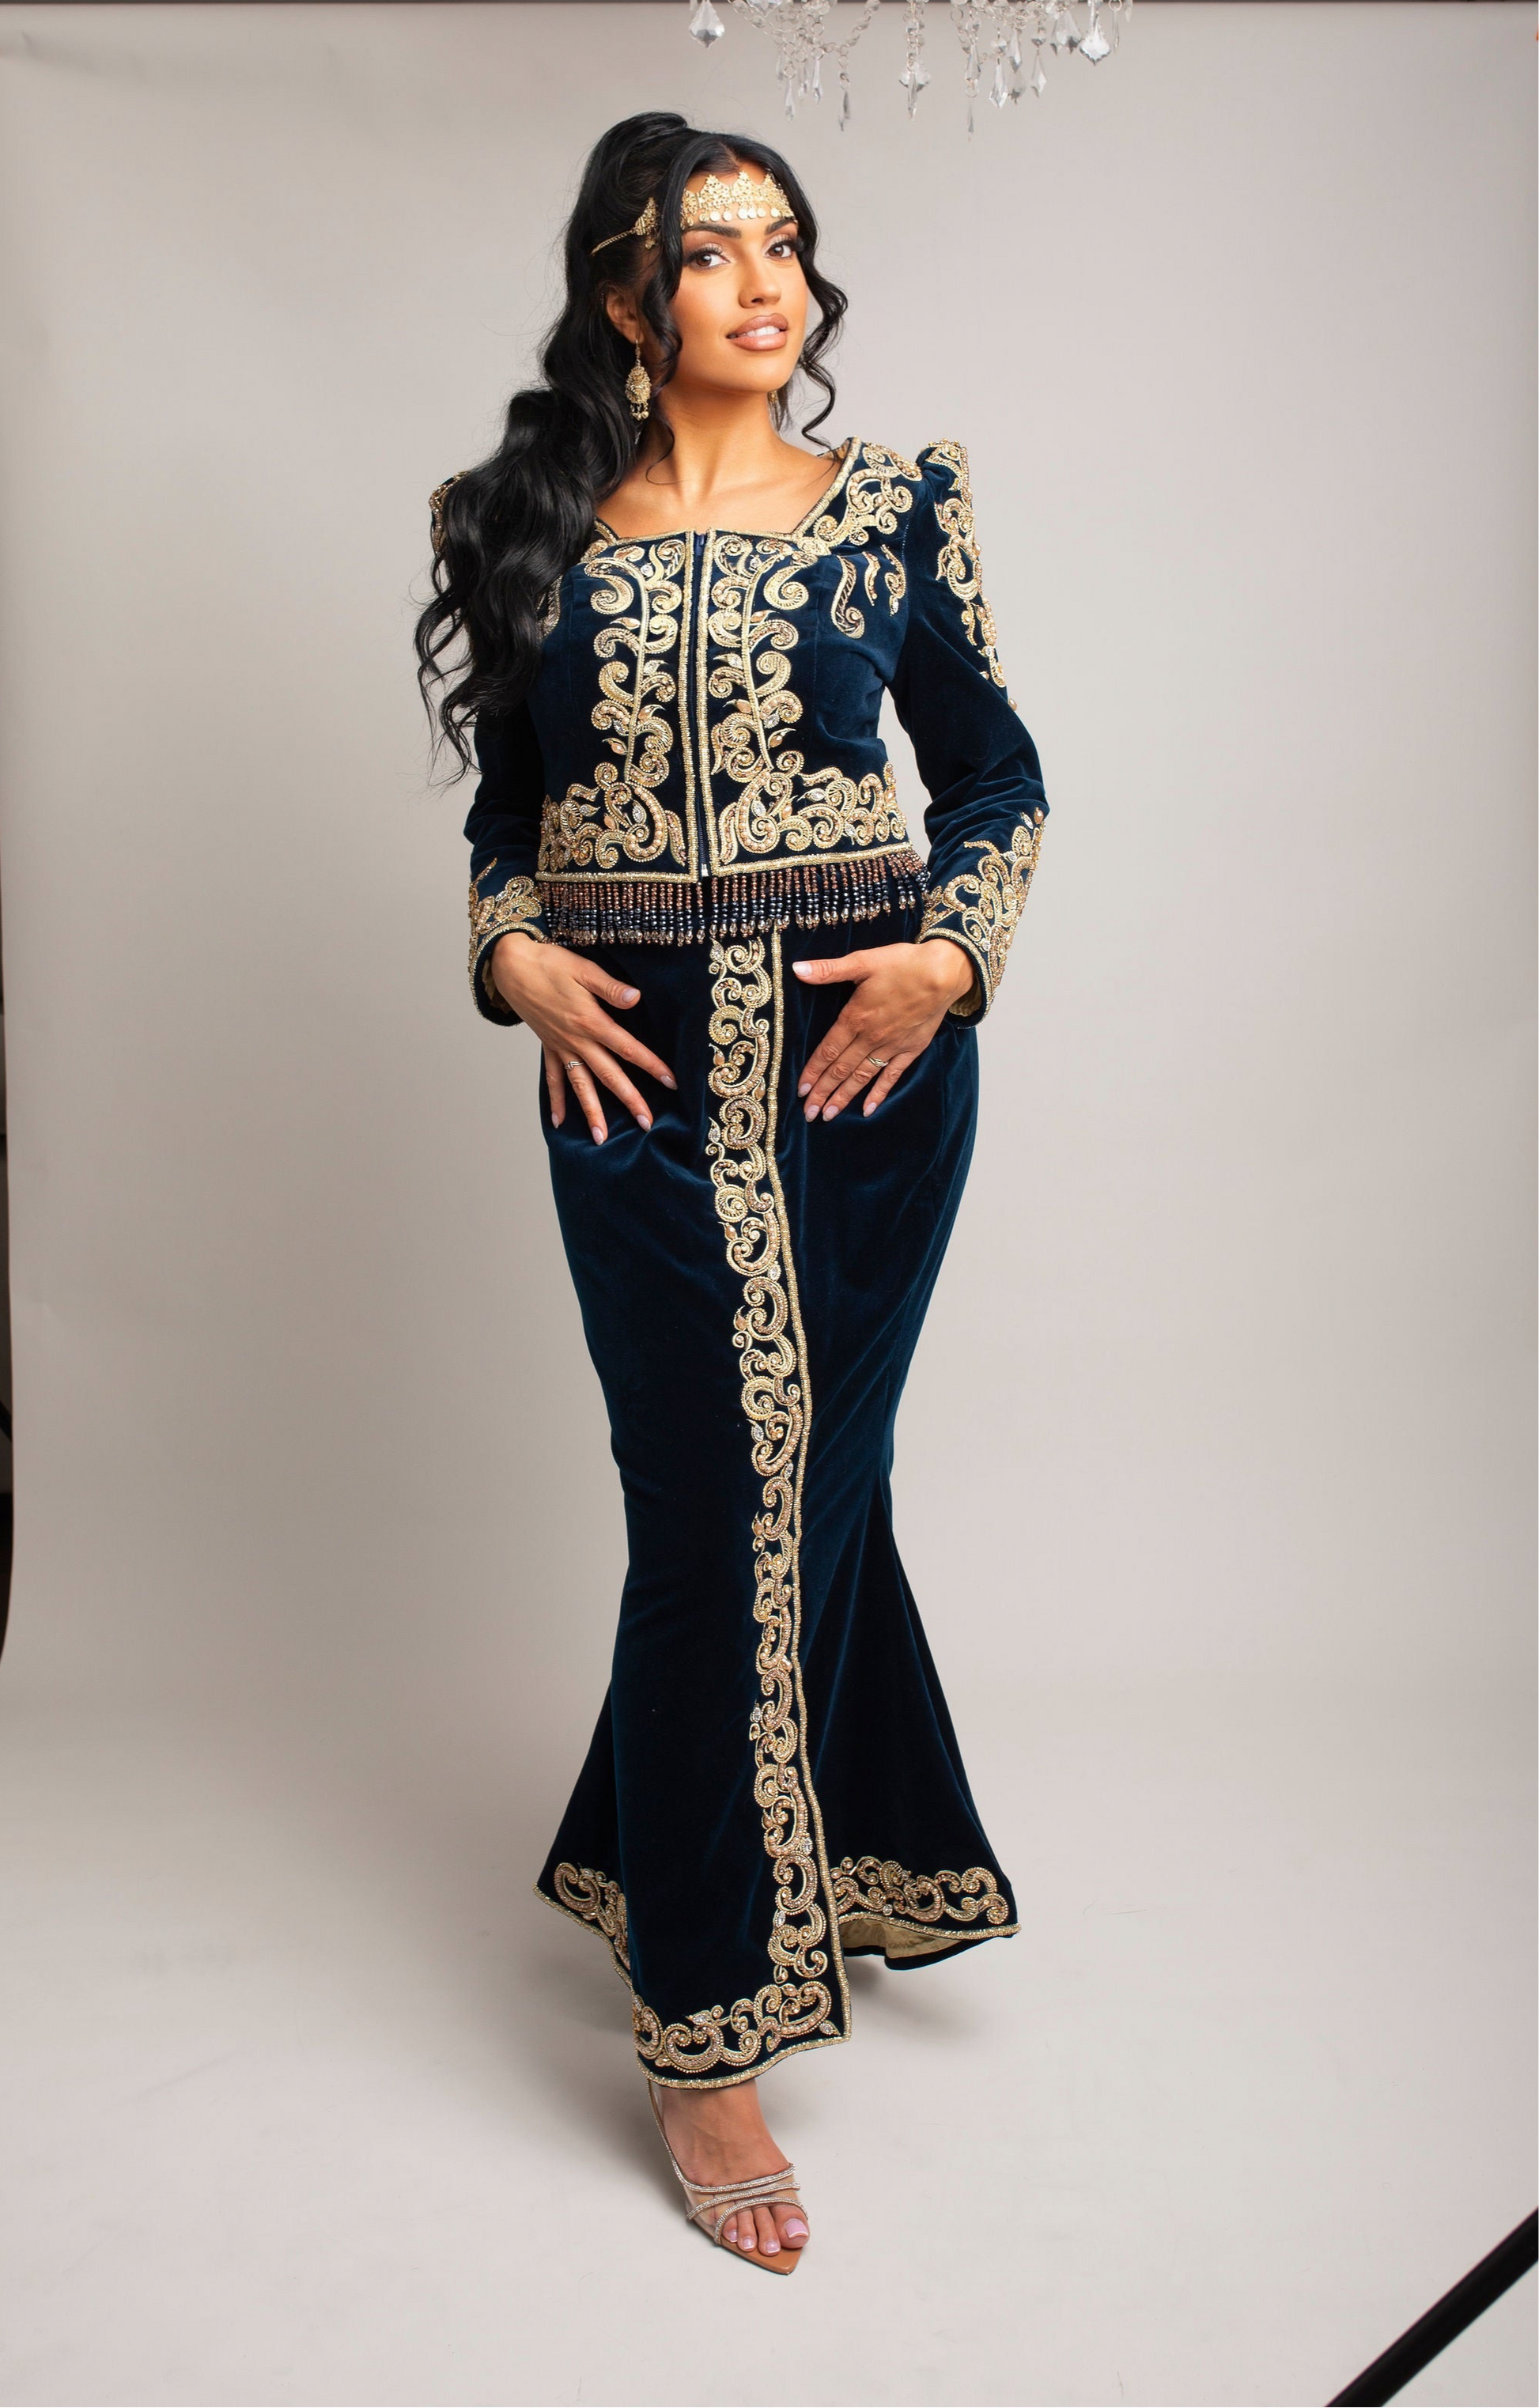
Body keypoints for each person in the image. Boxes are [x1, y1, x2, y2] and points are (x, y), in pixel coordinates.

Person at [416, 111, 1047, 2274]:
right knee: (720, 1499)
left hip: (869, 1070)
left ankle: (715, 1883)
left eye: (787, 245)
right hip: (635, 1071)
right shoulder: (518, 525)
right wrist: (506, 949)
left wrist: (955, 954)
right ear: (625, 295)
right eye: (713, 253)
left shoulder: (894, 511)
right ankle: (705, 2019)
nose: (768, 286)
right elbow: (506, 819)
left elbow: (997, 775)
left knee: (808, 1480)